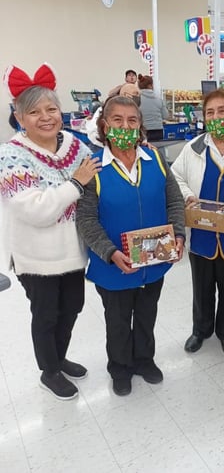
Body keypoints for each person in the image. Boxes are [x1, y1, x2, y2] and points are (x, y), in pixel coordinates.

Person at [0, 63, 101, 400]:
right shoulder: (11, 155)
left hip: (74, 252)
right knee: (46, 315)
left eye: (51, 108)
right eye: (34, 112)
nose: (45, 117)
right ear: (19, 115)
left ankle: (59, 358)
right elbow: (36, 209)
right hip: (37, 257)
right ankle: (49, 370)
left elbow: (98, 179)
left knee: (72, 307)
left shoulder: (74, 143)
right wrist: (76, 184)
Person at [76, 95, 185, 397]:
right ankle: (120, 368)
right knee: (118, 321)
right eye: (118, 120)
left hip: (154, 262)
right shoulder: (93, 168)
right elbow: (85, 219)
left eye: (132, 121)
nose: (126, 126)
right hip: (114, 266)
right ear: (105, 125)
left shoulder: (156, 160)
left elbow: (174, 200)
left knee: (147, 315)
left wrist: (178, 235)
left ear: (140, 127)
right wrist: (109, 252)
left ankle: (144, 360)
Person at [171, 88, 224, 357]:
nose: (216, 117)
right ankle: (201, 330)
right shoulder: (193, 148)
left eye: (222, 111)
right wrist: (188, 197)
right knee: (202, 288)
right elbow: (175, 178)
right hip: (202, 234)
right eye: (210, 112)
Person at [137, 73, 169, 141]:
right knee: (158, 150)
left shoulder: (136, 99)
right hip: (158, 131)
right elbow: (166, 116)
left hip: (142, 131)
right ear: (151, 85)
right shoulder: (159, 99)